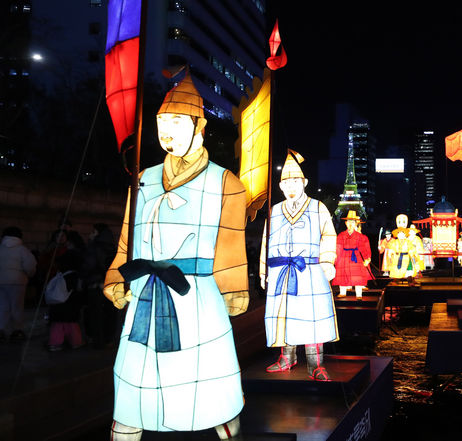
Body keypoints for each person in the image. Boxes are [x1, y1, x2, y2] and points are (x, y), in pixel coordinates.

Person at [102, 73, 249, 440]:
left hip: (197, 295)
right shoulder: (143, 179)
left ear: (200, 126)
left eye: (177, 122)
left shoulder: (226, 182)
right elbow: (127, 238)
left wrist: (233, 287)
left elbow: (230, 244)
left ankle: (224, 423)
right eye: (162, 123)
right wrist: (117, 276)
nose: (167, 132)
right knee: (135, 386)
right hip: (145, 292)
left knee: (209, 386)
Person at [261, 150, 338, 382]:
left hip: (309, 271)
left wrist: (327, 261)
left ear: (304, 182)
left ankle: (316, 364)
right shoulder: (274, 211)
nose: (291, 187)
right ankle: (287, 358)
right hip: (280, 272)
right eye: (286, 183)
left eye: (295, 181)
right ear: (280, 186)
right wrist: (264, 271)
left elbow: (328, 235)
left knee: (311, 316)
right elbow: (266, 242)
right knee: (284, 316)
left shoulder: (317, 207)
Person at [47, 234, 85, 351]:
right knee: (72, 326)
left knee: (57, 326)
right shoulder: (75, 276)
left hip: (58, 308)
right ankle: (75, 342)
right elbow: (78, 290)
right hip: (71, 307)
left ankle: (55, 343)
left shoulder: (61, 275)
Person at [82, 223, 117, 348]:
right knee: (110, 313)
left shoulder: (94, 247)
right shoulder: (112, 246)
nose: (90, 234)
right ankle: (109, 339)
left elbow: (89, 265)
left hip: (96, 284)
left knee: (96, 314)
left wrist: (83, 276)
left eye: (93, 232)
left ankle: (97, 340)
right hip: (110, 284)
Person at [0, 226, 37, 343]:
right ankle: (17, 330)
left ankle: (2, 330)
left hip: (1, 281)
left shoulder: (1, 248)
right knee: (17, 307)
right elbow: (30, 266)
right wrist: (30, 274)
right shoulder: (22, 250)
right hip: (17, 282)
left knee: (3, 307)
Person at [334, 210, 372, 299]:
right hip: (344, 257)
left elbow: (363, 248)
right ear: (346, 223)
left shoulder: (360, 236)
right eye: (349, 222)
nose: (350, 224)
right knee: (343, 275)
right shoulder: (341, 235)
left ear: (356, 224)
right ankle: (342, 292)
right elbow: (338, 248)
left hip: (356, 258)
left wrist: (366, 258)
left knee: (358, 277)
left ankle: (359, 294)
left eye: (353, 222)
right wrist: (336, 260)